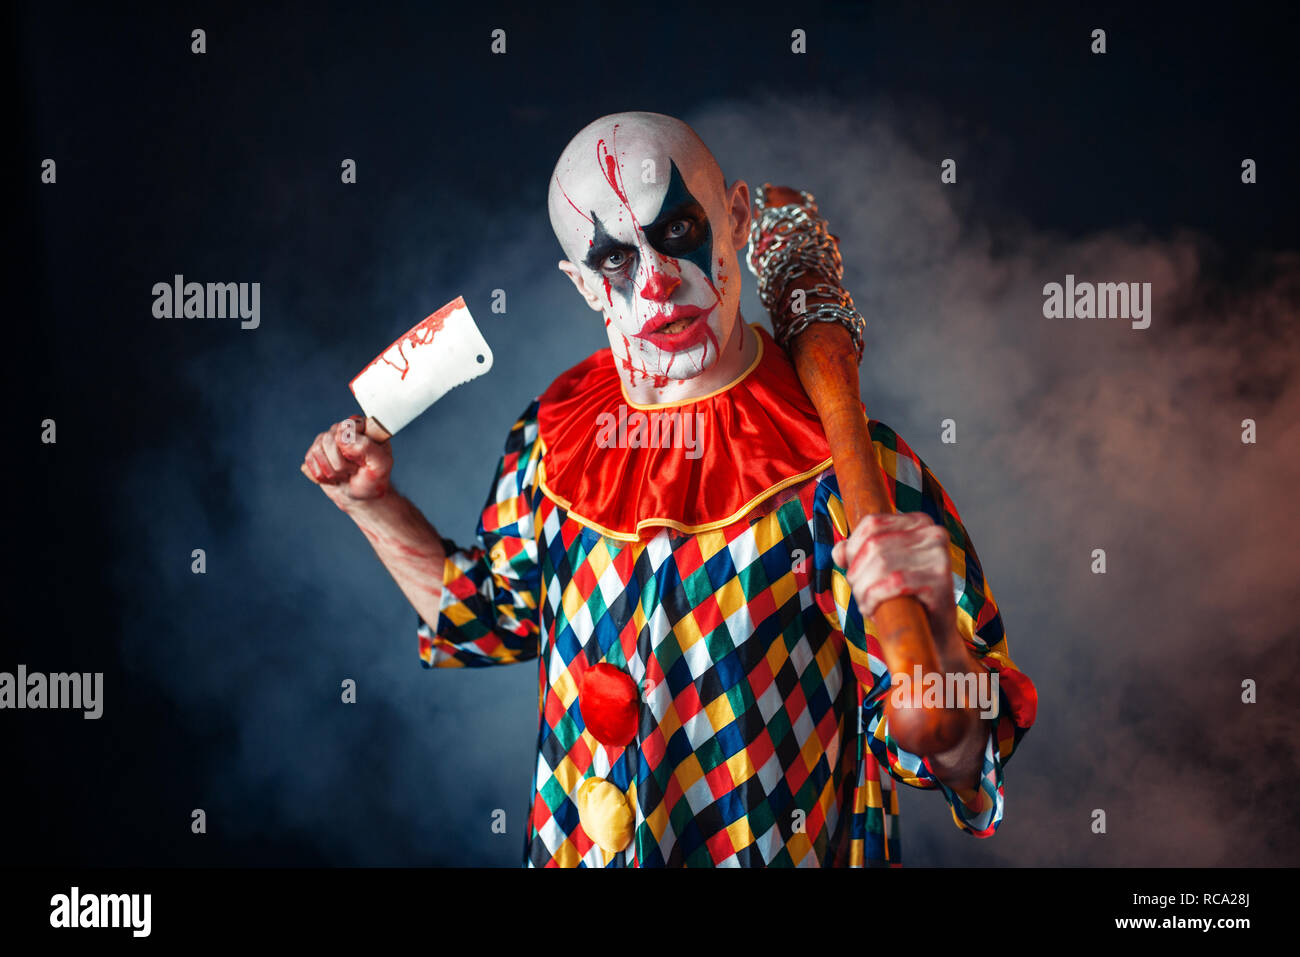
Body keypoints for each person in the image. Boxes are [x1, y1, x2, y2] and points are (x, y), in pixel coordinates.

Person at [300, 111, 1037, 867]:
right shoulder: (551, 438)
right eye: (615, 259)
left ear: (738, 217)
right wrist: (369, 503)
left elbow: (948, 747)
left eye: (679, 231)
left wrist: (940, 641)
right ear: (583, 285)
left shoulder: (847, 473)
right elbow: (490, 617)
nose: (655, 280)